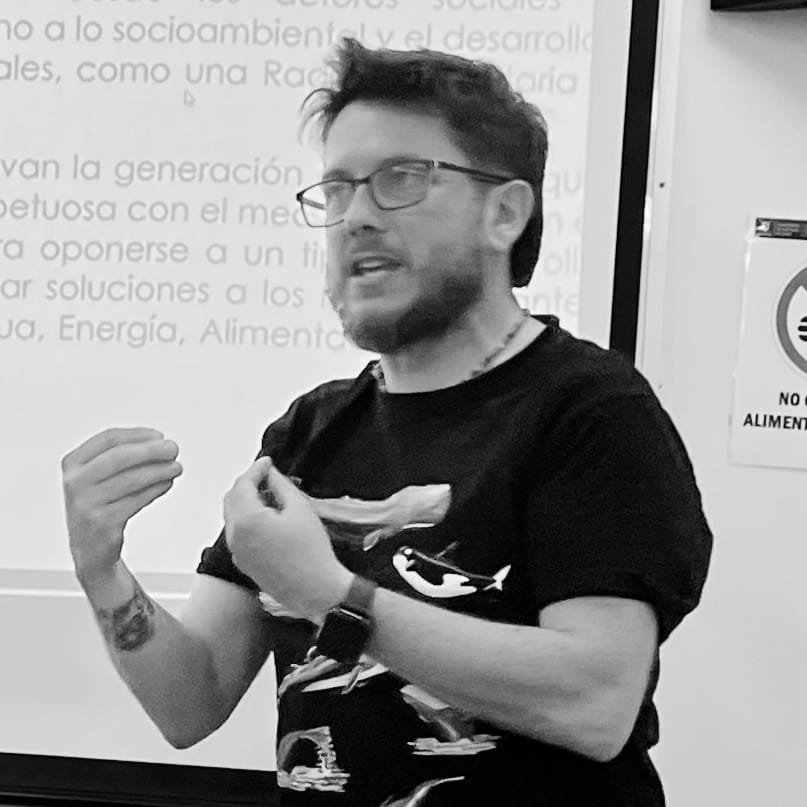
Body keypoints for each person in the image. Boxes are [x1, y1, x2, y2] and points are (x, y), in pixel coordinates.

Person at [61, 39, 712, 807]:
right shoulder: (310, 429)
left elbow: (595, 703)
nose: (357, 217)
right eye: (337, 189)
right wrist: (101, 568)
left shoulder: (589, 411)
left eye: (399, 179)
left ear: (504, 212)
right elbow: (189, 699)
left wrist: (330, 594)